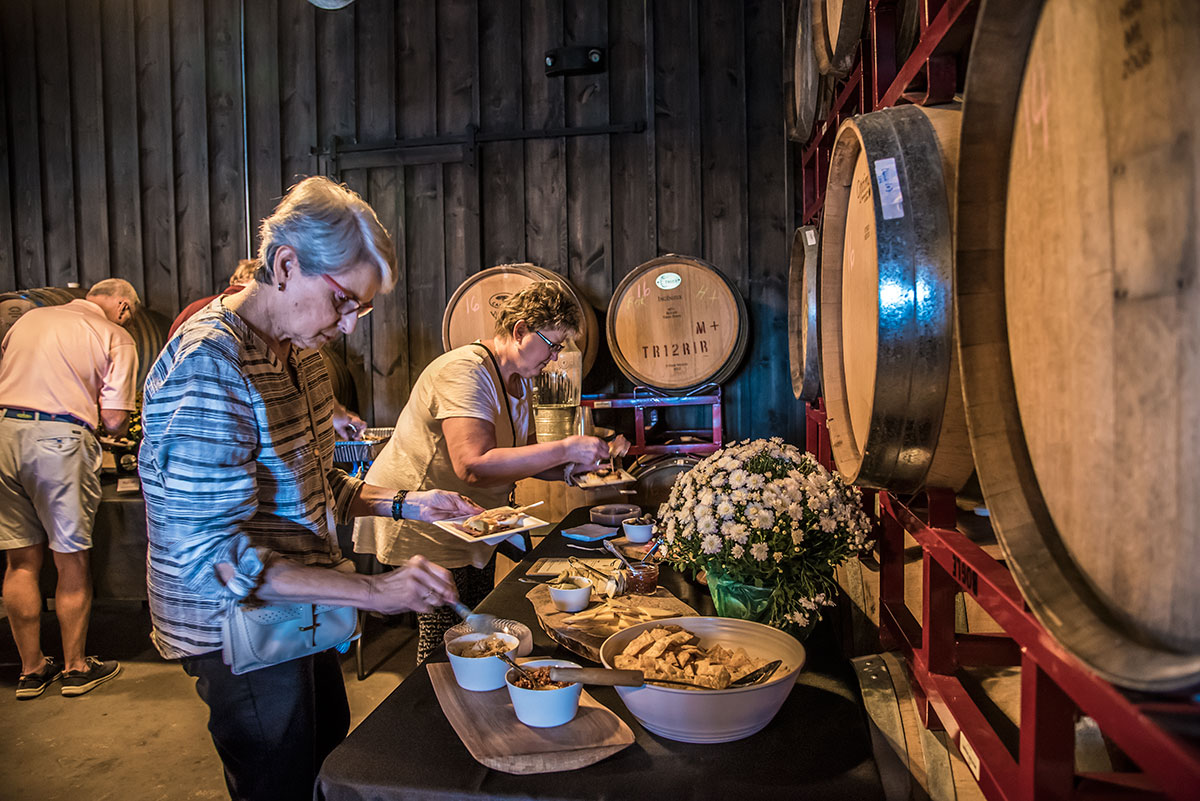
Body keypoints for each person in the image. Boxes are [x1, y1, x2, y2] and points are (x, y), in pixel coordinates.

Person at [138, 176, 480, 801]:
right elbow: (214, 557)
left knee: (327, 759)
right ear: (285, 265)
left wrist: (408, 502)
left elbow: (316, 484)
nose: (351, 326)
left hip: (299, 604)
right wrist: (372, 589)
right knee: (281, 778)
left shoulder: (304, 353)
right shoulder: (210, 366)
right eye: (344, 301)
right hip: (237, 627)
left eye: (363, 309)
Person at [354, 281, 622, 663]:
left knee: (476, 619)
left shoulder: (518, 380)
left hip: (470, 517)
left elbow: (518, 454)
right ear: (520, 331)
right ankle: (435, 712)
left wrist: (570, 469)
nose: (555, 356)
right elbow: (473, 465)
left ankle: (475, 700)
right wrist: (565, 447)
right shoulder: (466, 371)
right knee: (446, 638)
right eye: (553, 344)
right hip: (423, 512)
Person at [0, 278, 141, 699]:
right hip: (59, 440)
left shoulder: (28, 320)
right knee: (70, 558)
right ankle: (77, 668)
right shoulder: (115, 334)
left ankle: (31, 670)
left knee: (20, 561)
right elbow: (116, 420)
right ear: (121, 306)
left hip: (4, 432)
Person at [169, 259, 368, 440]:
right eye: (340, 298)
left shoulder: (298, 339)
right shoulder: (211, 345)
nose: (349, 326)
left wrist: (337, 415)